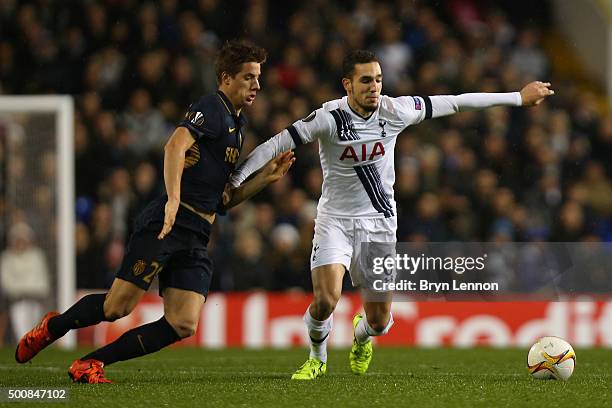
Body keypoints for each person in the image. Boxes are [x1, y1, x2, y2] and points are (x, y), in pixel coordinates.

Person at [228, 50, 554, 379]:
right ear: (348, 85)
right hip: (335, 222)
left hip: (379, 225)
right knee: (327, 299)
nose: (375, 86)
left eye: (379, 79)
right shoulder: (329, 118)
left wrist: (517, 97)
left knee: (379, 322)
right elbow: (275, 143)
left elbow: (455, 102)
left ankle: (361, 338)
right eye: (366, 80)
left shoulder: (396, 110)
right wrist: (237, 178)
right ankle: (317, 358)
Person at [15, 40, 295, 384]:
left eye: (258, 77)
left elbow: (223, 201)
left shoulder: (239, 128)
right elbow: (175, 145)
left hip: (197, 233)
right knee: (117, 308)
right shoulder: (212, 106)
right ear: (226, 78)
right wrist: (173, 200)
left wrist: (266, 178)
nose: (257, 85)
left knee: (183, 322)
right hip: (169, 222)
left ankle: (91, 363)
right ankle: (52, 327)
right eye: (249, 77)